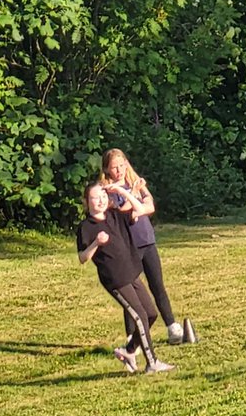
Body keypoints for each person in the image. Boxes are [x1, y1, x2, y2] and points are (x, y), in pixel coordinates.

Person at [77, 181, 174, 374]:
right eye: (95, 198)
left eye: (103, 196)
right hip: (115, 280)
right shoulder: (86, 227)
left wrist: (122, 191)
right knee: (140, 317)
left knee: (151, 314)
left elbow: (140, 209)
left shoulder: (116, 215)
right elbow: (82, 257)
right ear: (87, 202)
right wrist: (96, 242)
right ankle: (152, 363)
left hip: (132, 273)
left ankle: (129, 351)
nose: (100, 201)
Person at [101, 149, 186, 347]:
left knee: (157, 285)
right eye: (114, 167)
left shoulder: (135, 181)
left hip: (146, 240)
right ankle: (132, 338)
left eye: (122, 165)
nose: (119, 170)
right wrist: (132, 197)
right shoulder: (108, 191)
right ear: (107, 169)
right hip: (128, 246)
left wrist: (137, 204)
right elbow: (123, 210)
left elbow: (149, 207)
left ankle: (171, 325)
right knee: (132, 292)